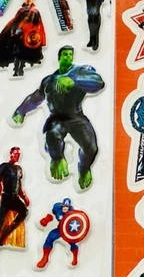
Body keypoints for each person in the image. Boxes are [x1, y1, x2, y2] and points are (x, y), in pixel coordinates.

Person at [12, 45, 104, 189]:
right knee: (52, 136)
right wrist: (20, 111)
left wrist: (75, 81)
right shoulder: (49, 80)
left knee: (91, 148)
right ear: (59, 57)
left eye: (70, 55)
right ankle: (57, 159)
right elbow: (35, 98)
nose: (69, 57)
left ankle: (84, 168)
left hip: (75, 116)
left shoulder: (79, 72)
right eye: (65, 55)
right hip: (56, 118)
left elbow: (98, 82)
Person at [0, 0, 46, 77]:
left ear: (32, 1)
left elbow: (37, 23)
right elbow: (16, 21)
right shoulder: (21, 10)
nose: (28, 1)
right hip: (20, 33)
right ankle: (15, 69)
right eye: (27, 0)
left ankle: (21, 68)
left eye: (30, 0)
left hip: (29, 34)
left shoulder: (35, 11)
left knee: (24, 53)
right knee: (16, 51)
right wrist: (14, 31)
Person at [0, 147, 28, 247]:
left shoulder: (19, 169)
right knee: (1, 219)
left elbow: (19, 186)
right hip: (6, 196)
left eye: (18, 154)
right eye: (15, 154)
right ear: (11, 154)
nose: (17, 156)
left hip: (15, 198)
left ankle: (7, 231)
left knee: (24, 211)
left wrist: (24, 197)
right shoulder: (4, 166)